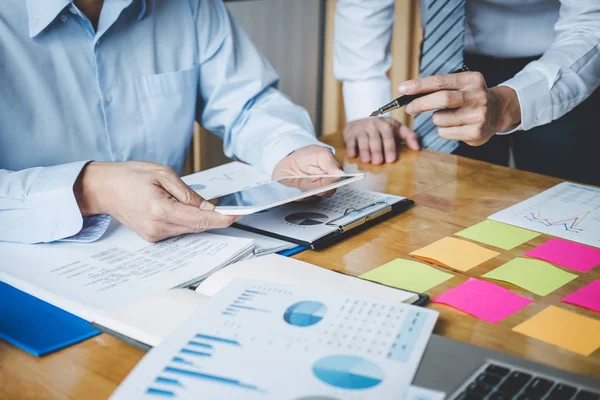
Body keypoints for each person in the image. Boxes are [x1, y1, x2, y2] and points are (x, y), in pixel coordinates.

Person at [0, 0, 343, 244]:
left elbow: (245, 103)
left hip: (181, 250)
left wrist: (288, 147)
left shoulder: (190, 6)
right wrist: (88, 188)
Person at [334, 0, 600, 185]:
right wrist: (365, 106)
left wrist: (508, 105)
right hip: (447, 53)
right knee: (446, 203)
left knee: (564, 201)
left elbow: (590, 25)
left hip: (559, 65)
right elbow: (362, 5)